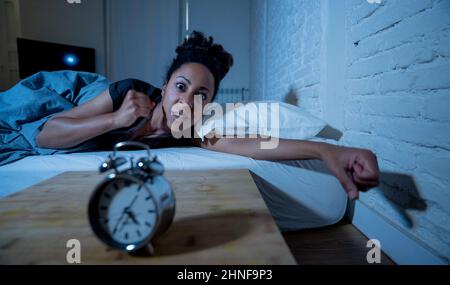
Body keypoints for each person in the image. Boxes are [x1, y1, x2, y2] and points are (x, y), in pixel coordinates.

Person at [36, 31, 379, 200]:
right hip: (78, 102)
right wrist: (113, 120)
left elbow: (255, 143)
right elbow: (45, 135)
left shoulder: (196, 130)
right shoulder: (128, 93)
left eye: (202, 95)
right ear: (165, 85)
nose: (186, 100)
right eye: (181, 86)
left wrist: (326, 150)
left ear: (210, 102)